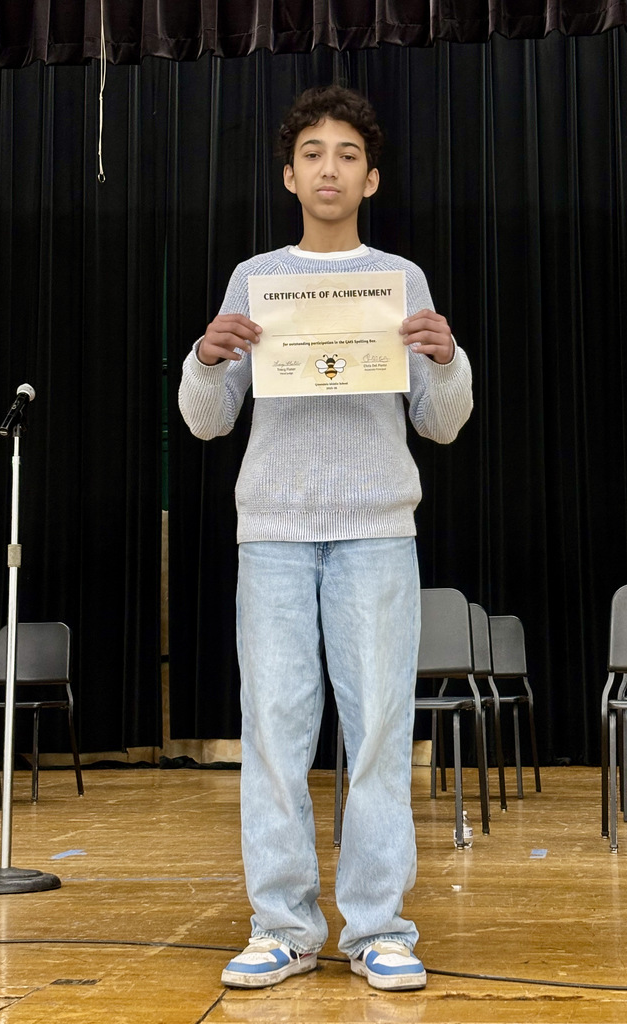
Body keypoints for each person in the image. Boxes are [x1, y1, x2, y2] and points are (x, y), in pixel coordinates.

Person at [178, 85, 473, 992]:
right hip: (271, 531)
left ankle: (380, 928)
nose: (330, 167)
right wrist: (205, 358)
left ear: (371, 177)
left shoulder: (404, 279)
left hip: (378, 529)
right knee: (272, 731)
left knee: (381, 730)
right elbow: (205, 423)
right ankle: (283, 926)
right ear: (288, 174)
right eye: (314, 152)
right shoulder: (253, 279)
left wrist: (447, 357)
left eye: (348, 154)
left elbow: (443, 424)